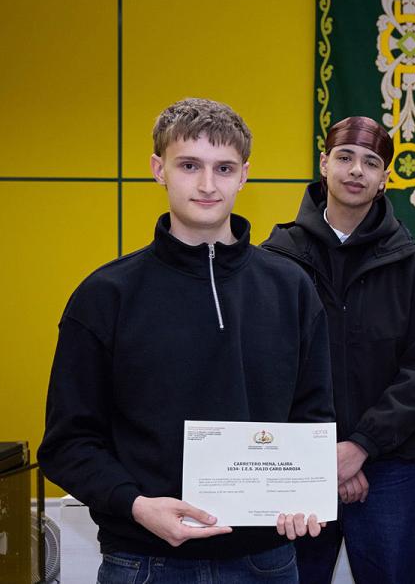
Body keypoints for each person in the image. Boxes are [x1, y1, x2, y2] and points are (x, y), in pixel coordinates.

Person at [39, 97, 333, 582]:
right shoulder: (106, 295)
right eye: (189, 165)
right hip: (143, 560)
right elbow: (69, 443)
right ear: (159, 169)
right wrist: (135, 506)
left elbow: (313, 416)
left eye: (224, 168)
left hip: (267, 560)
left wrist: (304, 494)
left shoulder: (291, 288)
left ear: (244, 175)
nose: (207, 184)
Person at [262, 116, 415, 583]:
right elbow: (269, 366)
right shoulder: (277, 256)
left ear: (385, 178)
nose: (356, 171)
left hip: (388, 468)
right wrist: (327, 453)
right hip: (296, 462)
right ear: (324, 165)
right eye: (344, 158)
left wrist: (361, 446)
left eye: (371, 162)